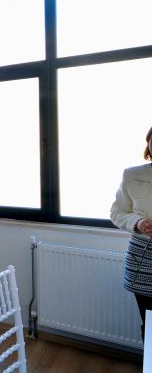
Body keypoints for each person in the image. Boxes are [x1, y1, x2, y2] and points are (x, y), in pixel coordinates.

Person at [110, 126, 152, 339]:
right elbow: (117, 212)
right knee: (150, 322)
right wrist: (138, 222)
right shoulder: (132, 174)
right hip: (142, 259)